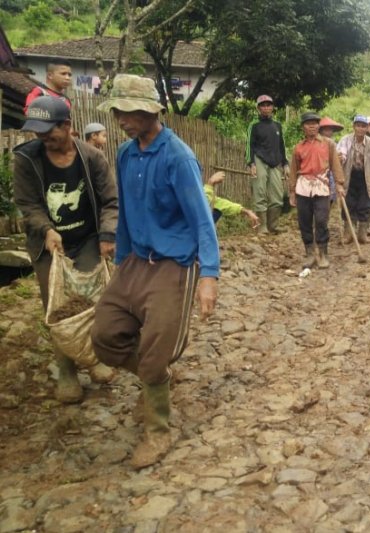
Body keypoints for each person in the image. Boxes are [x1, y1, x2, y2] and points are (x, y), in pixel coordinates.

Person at [91, 74, 220, 469]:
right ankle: (156, 379)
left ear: (152, 112)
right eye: (118, 112)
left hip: (173, 265)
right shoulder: (126, 154)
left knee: (156, 350)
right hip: (135, 261)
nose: (123, 120)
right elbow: (127, 214)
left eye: (131, 112)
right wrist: (120, 264)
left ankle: (157, 430)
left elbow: (202, 219)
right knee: (105, 337)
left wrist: (208, 277)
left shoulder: (178, 157)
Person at [13, 96, 118, 403]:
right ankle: (67, 370)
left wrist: (107, 235)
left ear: (68, 126)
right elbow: (28, 204)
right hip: (49, 245)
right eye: (38, 132)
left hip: (86, 239)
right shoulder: (27, 159)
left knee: (87, 301)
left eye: (49, 131)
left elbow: (111, 201)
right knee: (57, 308)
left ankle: (93, 356)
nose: (43, 137)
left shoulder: (92, 158)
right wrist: (46, 229)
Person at [288, 112, 345, 270]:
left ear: (318, 126)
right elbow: (293, 170)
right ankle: (310, 253)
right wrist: (292, 192)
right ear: (303, 127)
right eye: (308, 123)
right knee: (304, 221)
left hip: (321, 186)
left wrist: (339, 184)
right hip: (303, 187)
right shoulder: (298, 148)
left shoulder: (328, 144)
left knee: (321, 220)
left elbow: (335, 165)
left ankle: (323, 253)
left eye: (314, 123)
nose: (312, 126)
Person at [337, 115, 370, 244]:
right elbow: (342, 152)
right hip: (349, 176)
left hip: (365, 177)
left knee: (364, 205)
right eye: (358, 125)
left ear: (367, 128)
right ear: (354, 127)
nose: (361, 129)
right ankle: (348, 234)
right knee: (349, 204)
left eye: (363, 126)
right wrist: (341, 157)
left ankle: (362, 234)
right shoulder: (345, 140)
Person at [245, 94, 288, 234]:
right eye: (263, 105)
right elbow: (249, 145)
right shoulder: (254, 125)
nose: (266, 108)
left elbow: (282, 145)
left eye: (269, 105)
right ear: (258, 108)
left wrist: (285, 164)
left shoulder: (278, 126)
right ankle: (261, 227)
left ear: (272, 107)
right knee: (260, 193)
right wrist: (251, 163)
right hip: (259, 160)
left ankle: (272, 226)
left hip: (275, 162)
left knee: (277, 195)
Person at [319, 117, 344, 205]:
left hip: (332, 177)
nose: (329, 132)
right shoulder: (317, 144)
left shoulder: (335, 145)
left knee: (329, 201)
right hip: (320, 178)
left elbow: (338, 164)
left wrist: (340, 159)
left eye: (331, 130)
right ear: (321, 131)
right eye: (326, 129)